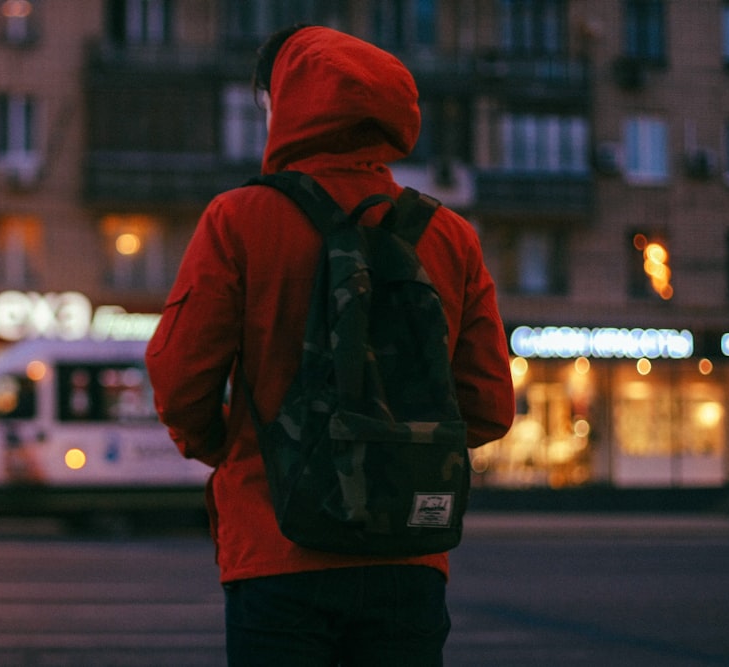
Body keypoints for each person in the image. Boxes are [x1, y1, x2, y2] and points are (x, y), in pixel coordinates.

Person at [145, 25, 515, 667]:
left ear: (281, 104)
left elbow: (180, 380)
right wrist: (400, 450)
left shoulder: (239, 219)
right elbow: (487, 407)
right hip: (409, 557)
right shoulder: (450, 235)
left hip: (277, 547)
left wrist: (230, 448)